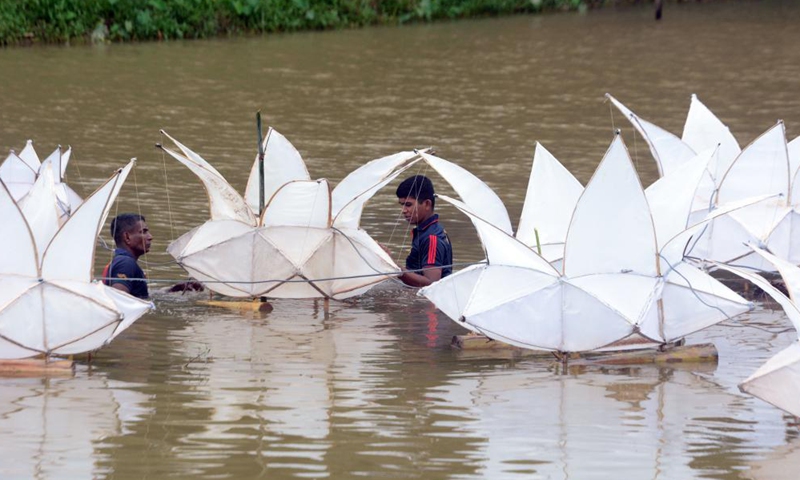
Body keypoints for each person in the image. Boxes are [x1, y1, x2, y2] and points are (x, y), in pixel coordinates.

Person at [396, 175, 453, 287]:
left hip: (428, 302)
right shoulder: (427, 231)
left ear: (427, 204)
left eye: (408, 204)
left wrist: (395, 268)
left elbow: (431, 283)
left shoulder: (431, 238)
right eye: (402, 205)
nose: (403, 210)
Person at [102, 213, 152, 299]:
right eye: (144, 232)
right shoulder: (125, 263)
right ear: (127, 237)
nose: (150, 237)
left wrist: (172, 290)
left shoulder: (121, 260)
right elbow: (118, 299)